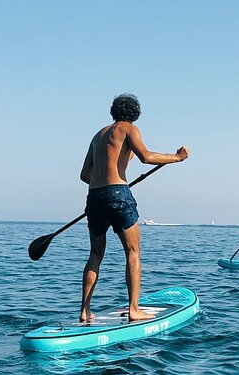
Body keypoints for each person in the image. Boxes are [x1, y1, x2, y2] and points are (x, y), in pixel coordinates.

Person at [79, 94, 189, 322]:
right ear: (134, 113)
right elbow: (146, 157)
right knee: (133, 251)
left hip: (95, 196)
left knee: (95, 254)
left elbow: (84, 175)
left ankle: (85, 311)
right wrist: (177, 158)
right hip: (117, 194)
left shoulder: (98, 135)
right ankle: (134, 309)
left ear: (113, 111)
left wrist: (111, 173)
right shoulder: (128, 128)